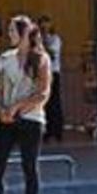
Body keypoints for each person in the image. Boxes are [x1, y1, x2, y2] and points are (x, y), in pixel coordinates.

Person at [0, 16, 52, 194]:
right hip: (6, 119)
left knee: (29, 167)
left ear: (25, 33)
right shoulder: (5, 58)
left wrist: (18, 107)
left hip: (31, 119)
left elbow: (43, 93)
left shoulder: (41, 58)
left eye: (12, 30)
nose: (9, 34)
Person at [37, 15, 64, 143]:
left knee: (55, 101)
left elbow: (52, 54)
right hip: (40, 74)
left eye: (46, 25)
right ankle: (46, 130)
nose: (44, 28)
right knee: (44, 102)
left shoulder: (55, 39)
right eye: (42, 26)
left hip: (53, 72)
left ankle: (57, 130)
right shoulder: (37, 39)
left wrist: (42, 44)